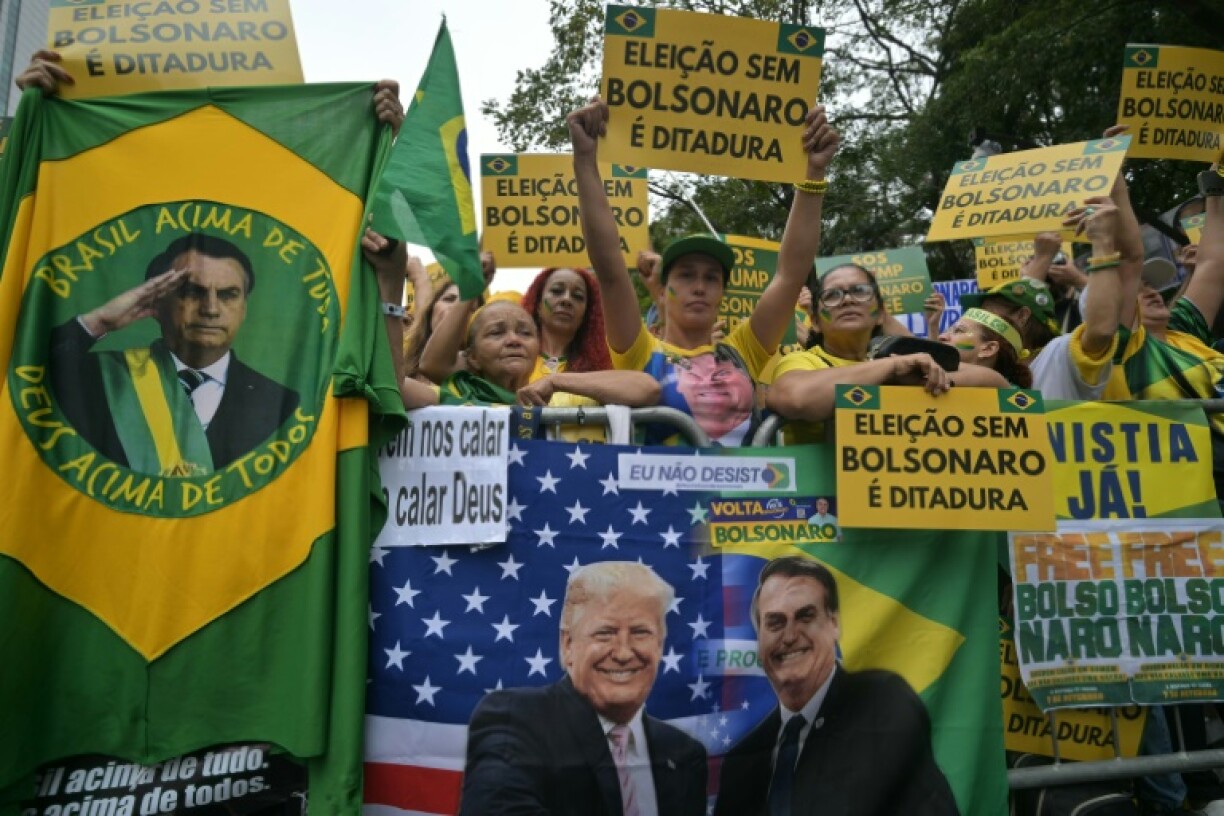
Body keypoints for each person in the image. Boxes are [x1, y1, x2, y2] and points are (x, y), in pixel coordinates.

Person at [569, 96, 839, 445]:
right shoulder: (640, 351)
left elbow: (791, 275)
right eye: (686, 275)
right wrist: (585, 159)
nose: (699, 286)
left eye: (711, 278)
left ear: (722, 293)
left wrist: (814, 173)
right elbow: (609, 268)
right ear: (662, 290)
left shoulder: (743, 351)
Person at [460, 561, 707, 816]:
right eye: (605, 633)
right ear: (568, 645)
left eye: (640, 632)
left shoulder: (684, 753)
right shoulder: (513, 718)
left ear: (660, 645)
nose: (623, 653)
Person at [715, 556, 957, 816]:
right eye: (775, 622)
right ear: (759, 638)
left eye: (805, 617)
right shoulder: (740, 763)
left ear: (834, 624)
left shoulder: (880, 704)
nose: (790, 636)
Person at [49, 233, 299, 475]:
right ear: (156, 301)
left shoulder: (282, 403)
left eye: (227, 295)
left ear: (244, 308)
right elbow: (30, 370)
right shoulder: (99, 379)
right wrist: (98, 323)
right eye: (193, 292)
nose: (211, 309)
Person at [767, 263, 1007, 442]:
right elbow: (794, 398)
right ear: (815, 322)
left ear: (881, 315)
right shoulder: (804, 361)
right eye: (831, 296)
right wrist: (891, 369)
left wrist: (925, 380)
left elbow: (994, 382)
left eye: (860, 291)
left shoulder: (901, 356)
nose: (847, 300)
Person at [520, 266, 612, 378]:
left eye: (577, 296)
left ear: (586, 314)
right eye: (557, 291)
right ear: (538, 304)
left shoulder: (599, 370)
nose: (566, 299)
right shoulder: (515, 356)